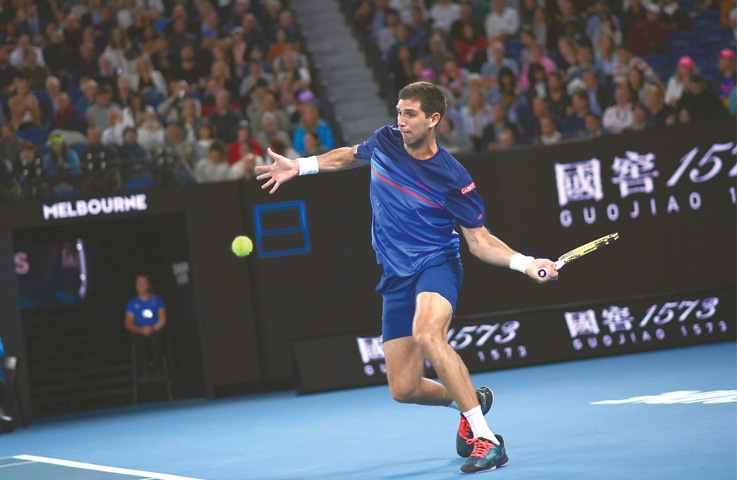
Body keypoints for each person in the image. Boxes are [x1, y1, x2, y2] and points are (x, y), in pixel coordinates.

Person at [256, 81, 557, 474]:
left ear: (434, 119)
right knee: (404, 388)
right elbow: (348, 156)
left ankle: (487, 439)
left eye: (410, 114)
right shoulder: (385, 141)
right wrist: (300, 166)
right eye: (398, 112)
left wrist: (524, 262)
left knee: (429, 335)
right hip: (395, 275)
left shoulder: (452, 177)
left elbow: (479, 241)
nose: (400, 121)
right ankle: (469, 402)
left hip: (436, 264)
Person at [125, 274, 167, 379]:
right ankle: (145, 370)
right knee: (138, 342)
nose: (140, 286)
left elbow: (163, 318)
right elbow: (128, 323)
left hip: (154, 329)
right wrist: (141, 330)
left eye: (143, 283)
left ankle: (158, 369)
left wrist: (152, 328)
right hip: (139, 330)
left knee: (156, 340)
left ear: (148, 285)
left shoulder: (157, 299)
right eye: (138, 283)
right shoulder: (132, 303)